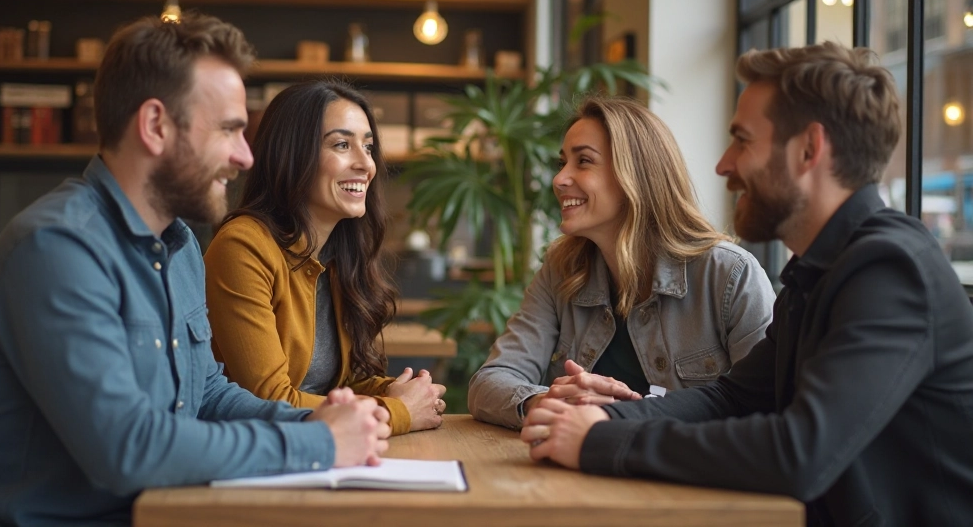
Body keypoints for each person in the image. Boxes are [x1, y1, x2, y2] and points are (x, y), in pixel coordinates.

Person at [0, 14, 390, 526]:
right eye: (228, 130)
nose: (245, 157)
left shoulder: (177, 246)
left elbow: (205, 394)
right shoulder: (57, 249)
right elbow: (128, 449)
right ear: (155, 126)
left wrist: (323, 419)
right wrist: (316, 441)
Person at [521, 43, 973, 526]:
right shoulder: (821, 270)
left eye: (742, 140)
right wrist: (600, 417)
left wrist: (598, 441)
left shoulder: (890, 270)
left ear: (808, 149)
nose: (723, 164)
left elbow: (800, 452)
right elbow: (731, 398)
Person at [468, 95, 775, 430]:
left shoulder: (729, 276)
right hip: (578, 470)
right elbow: (490, 382)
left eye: (583, 161)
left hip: (688, 478)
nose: (559, 180)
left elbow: (768, 410)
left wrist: (624, 417)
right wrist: (546, 402)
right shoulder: (561, 270)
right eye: (562, 163)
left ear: (636, 175)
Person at [203, 81, 446, 437]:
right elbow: (270, 399)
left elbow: (335, 386)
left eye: (368, 147)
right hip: (258, 456)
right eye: (342, 144)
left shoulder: (336, 254)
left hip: (321, 450)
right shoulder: (242, 246)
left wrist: (403, 392)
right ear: (293, 153)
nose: (366, 164)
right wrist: (397, 410)